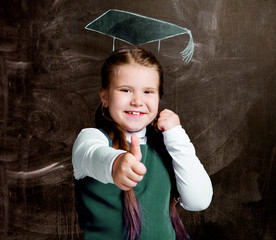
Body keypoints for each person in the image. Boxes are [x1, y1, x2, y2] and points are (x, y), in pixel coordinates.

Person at [72, 47, 213, 240]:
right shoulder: (91, 138)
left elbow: (199, 201)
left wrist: (176, 135)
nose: (137, 101)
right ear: (104, 97)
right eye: (125, 90)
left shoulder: (165, 147)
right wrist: (116, 164)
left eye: (148, 91)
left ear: (158, 98)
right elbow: (92, 155)